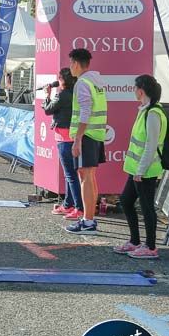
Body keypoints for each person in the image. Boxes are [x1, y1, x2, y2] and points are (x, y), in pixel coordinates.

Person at [112, 75, 166, 259]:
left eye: (135, 88)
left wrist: (140, 171)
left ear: (141, 91)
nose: (134, 91)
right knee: (126, 201)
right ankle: (135, 241)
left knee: (147, 207)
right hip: (137, 169)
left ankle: (150, 247)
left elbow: (151, 146)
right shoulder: (145, 110)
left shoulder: (153, 114)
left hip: (145, 171)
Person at [65, 48, 108, 234]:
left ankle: (88, 221)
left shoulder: (82, 83)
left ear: (75, 63)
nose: (70, 67)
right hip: (96, 134)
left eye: (70, 63)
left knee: (85, 177)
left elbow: (85, 111)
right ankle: (89, 219)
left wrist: (78, 139)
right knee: (89, 177)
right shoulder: (96, 81)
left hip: (87, 135)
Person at [43, 69, 83, 218]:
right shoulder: (77, 93)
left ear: (63, 80)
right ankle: (68, 204)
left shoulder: (62, 95)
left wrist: (47, 95)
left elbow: (48, 110)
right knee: (71, 174)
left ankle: (78, 207)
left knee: (70, 175)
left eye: (59, 79)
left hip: (64, 138)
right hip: (73, 136)